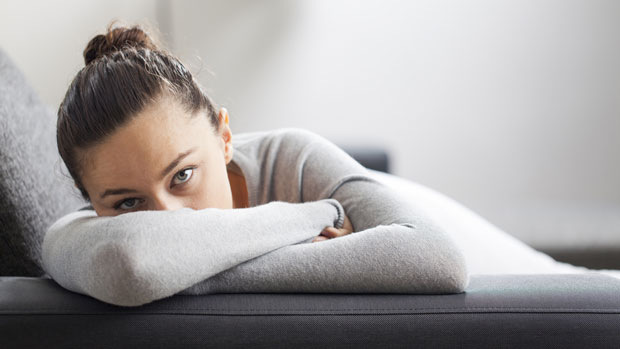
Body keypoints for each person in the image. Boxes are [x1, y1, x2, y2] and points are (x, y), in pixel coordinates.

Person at [42, 22, 469, 307]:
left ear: (224, 137)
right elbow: (130, 268)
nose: (169, 219)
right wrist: (309, 222)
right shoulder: (81, 237)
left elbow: (442, 260)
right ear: (89, 203)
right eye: (129, 205)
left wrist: (182, 270)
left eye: (183, 176)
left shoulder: (294, 158)